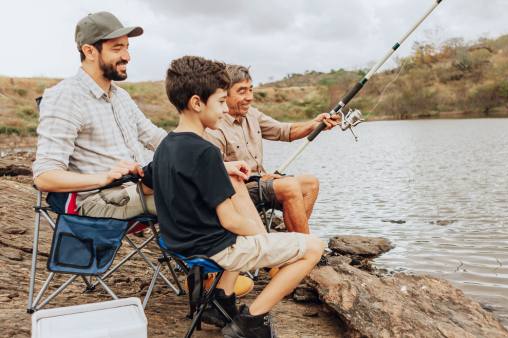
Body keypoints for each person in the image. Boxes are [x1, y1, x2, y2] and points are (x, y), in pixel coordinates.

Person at [32, 11, 255, 295]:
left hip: (141, 187)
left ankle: (232, 268)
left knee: (230, 181)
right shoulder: (64, 97)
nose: (127, 56)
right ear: (89, 51)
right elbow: (45, 177)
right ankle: (216, 278)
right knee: (203, 197)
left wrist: (217, 164)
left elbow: (159, 140)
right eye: (117, 48)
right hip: (101, 198)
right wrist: (103, 177)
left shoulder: (120, 96)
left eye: (127, 47)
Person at [144, 55, 324, 338]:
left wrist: (224, 171)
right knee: (314, 247)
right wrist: (262, 238)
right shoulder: (206, 153)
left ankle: (220, 300)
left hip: (179, 242)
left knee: (237, 185)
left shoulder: (166, 145)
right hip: (214, 248)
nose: (224, 109)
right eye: (219, 102)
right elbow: (229, 220)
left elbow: (148, 183)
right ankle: (251, 320)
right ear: (196, 103)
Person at [205, 65, 340, 234]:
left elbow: (285, 131)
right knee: (289, 186)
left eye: (251, 90)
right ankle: (304, 246)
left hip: (260, 183)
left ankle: (293, 238)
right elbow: (216, 174)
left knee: (310, 184)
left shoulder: (252, 114)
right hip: (237, 193)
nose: (249, 97)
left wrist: (315, 124)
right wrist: (259, 178)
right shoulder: (214, 125)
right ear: (225, 94)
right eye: (242, 91)